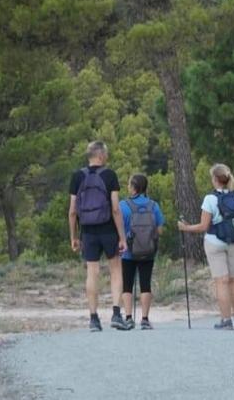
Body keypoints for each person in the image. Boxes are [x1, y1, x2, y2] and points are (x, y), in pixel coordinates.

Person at [178, 164, 234, 330]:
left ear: (215, 179)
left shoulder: (210, 199)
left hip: (215, 241)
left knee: (221, 281)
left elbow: (203, 226)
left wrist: (186, 228)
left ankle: (226, 320)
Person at [68, 141, 128, 332]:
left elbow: (72, 211)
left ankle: (93, 319)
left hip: (88, 231)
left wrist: (74, 237)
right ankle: (116, 314)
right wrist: (122, 237)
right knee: (116, 270)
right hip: (108, 229)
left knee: (92, 272)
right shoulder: (109, 175)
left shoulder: (77, 176)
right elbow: (116, 209)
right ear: (101, 155)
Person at [120, 174, 165, 330]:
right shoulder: (154, 206)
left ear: (133, 187)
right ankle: (145, 319)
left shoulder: (123, 205)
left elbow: (118, 227)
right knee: (146, 284)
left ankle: (128, 318)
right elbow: (160, 230)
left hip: (128, 251)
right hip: (148, 250)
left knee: (127, 284)